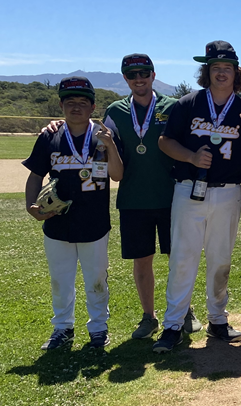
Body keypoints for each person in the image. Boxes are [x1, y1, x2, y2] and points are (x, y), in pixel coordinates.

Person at [153, 40, 241, 353]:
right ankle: (173, 325)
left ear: (236, 72)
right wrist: (189, 157)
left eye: (227, 68)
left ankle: (217, 320)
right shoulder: (189, 103)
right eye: (216, 68)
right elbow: (164, 141)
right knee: (184, 259)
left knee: (220, 260)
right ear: (207, 71)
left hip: (227, 193)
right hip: (189, 188)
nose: (221, 73)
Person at [24, 77, 123, 350]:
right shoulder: (50, 136)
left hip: (94, 222)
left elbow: (118, 175)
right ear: (61, 105)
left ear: (92, 107)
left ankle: (99, 330)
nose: (76, 107)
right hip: (57, 221)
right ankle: (62, 329)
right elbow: (35, 175)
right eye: (70, 102)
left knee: (96, 279)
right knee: (61, 280)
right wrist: (30, 205)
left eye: (82, 102)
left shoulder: (103, 135)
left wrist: (111, 145)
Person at [102, 54, 179, 340]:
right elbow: (105, 151)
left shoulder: (172, 107)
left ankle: (183, 310)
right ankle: (149, 316)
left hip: (173, 197)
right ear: (125, 78)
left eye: (144, 72)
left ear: (153, 74)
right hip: (133, 199)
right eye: (132, 74)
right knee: (142, 261)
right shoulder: (116, 111)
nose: (139, 78)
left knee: (179, 259)